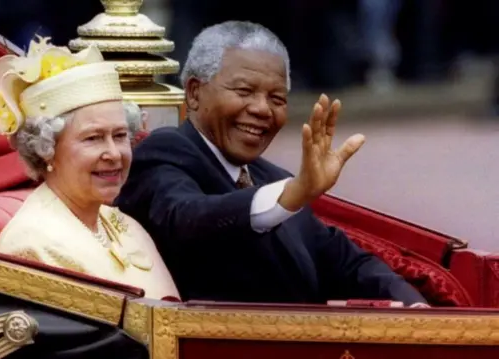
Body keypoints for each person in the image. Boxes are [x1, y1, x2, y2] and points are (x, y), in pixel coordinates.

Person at [115, 21, 429, 307]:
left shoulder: (273, 178)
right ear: (195, 93)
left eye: (277, 98)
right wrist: (292, 194)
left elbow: (348, 262)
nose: (263, 109)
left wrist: (416, 308)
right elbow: (188, 218)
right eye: (244, 91)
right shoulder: (166, 152)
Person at [0, 36, 179, 300]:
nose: (113, 153)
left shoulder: (122, 222)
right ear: (47, 150)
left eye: (120, 135)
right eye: (93, 138)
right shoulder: (29, 246)